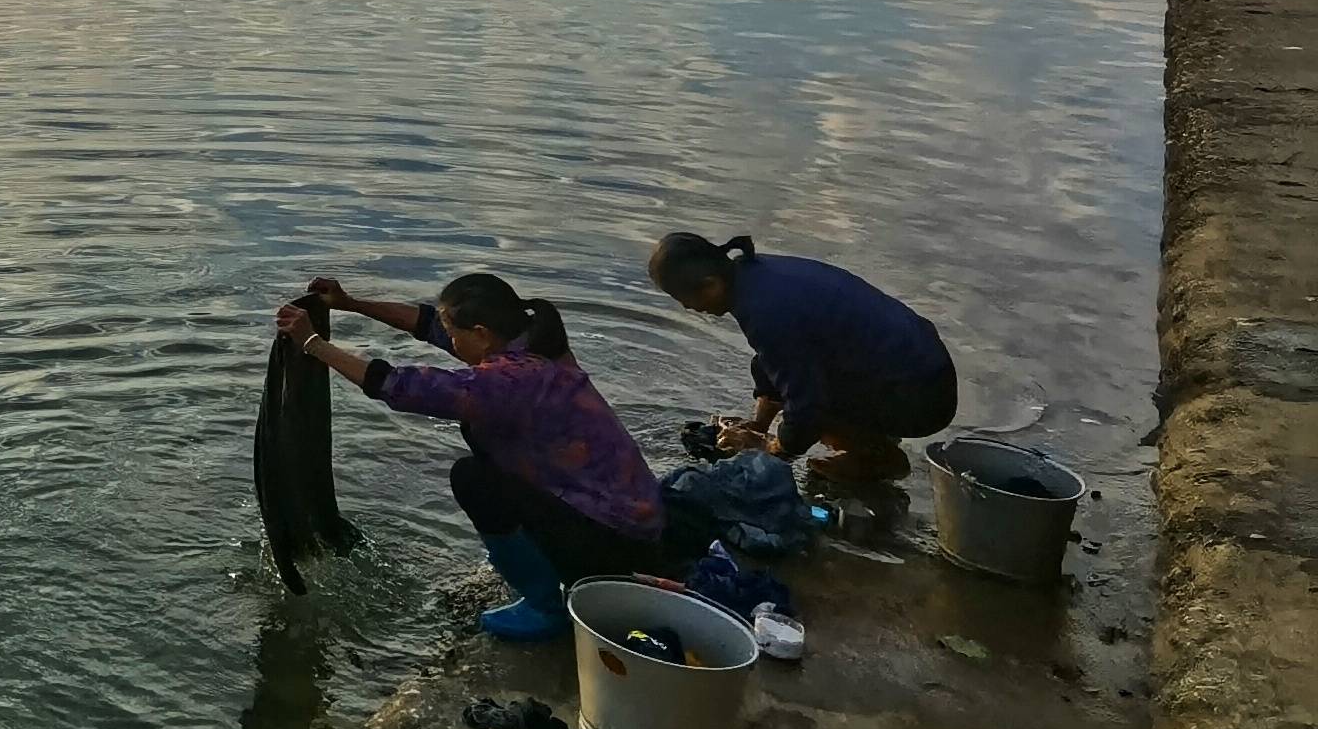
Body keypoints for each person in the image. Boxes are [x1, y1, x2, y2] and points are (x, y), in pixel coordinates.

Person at [279, 270, 671, 641]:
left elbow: (399, 386)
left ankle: (545, 606)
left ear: (481, 334)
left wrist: (313, 344)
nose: (448, 342)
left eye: (455, 335)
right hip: (634, 516)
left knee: (474, 480)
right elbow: (429, 324)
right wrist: (349, 303)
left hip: (616, 542)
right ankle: (551, 574)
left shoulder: (511, 381)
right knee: (492, 474)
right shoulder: (535, 339)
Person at [648, 232, 955, 481]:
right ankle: (869, 433)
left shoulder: (765, 311)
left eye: (685, 300)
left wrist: (772, 451)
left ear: (710, 285)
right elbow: (772, 362)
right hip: (918, 366)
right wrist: (759, 426)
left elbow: (806, 406)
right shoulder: (753, 275)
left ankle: (877, 458)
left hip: (922, 397)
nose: (688, 308)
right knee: (779, 369)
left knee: (809, 405)